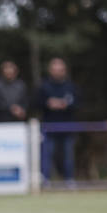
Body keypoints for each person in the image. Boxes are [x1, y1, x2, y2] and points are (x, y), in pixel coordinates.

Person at [36, 58, 78, 187]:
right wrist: (48, 104)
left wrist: (65, 105)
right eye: (55, 70)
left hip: (67, 126)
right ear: (50, 71)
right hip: (49, 127)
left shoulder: (71, 86)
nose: (57, 72)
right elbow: (36, 103)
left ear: (64, 71)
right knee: (47, 155)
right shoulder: (44, 86)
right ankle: (45, 179)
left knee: (68, 156)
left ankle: (69, 179)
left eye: (60, 70)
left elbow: (78, 103)